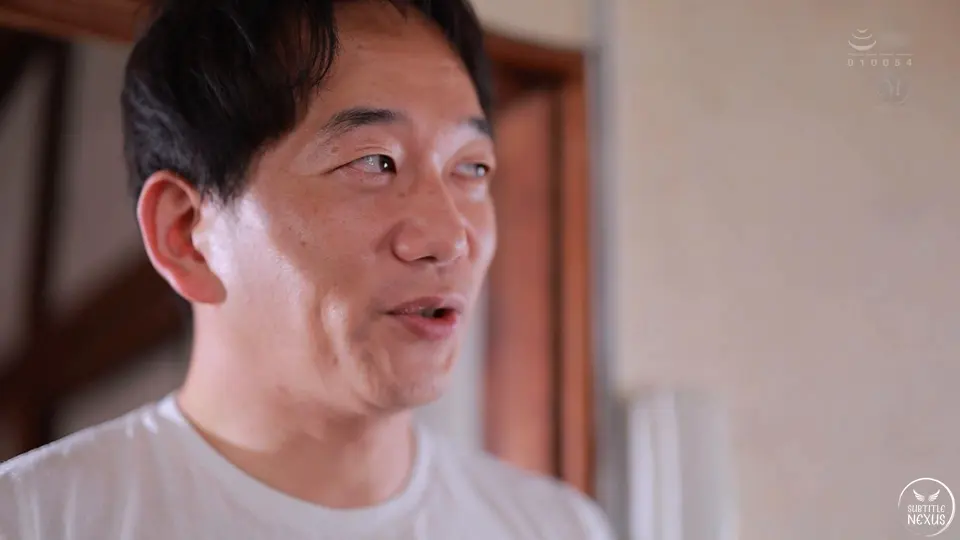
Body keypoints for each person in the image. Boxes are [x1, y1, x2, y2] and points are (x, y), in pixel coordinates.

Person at [0, 0, 615, 538]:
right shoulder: (34, 518)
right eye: (374, 161)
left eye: (472, 168)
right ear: (186, 233)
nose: (451, 238)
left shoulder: (557, 528)